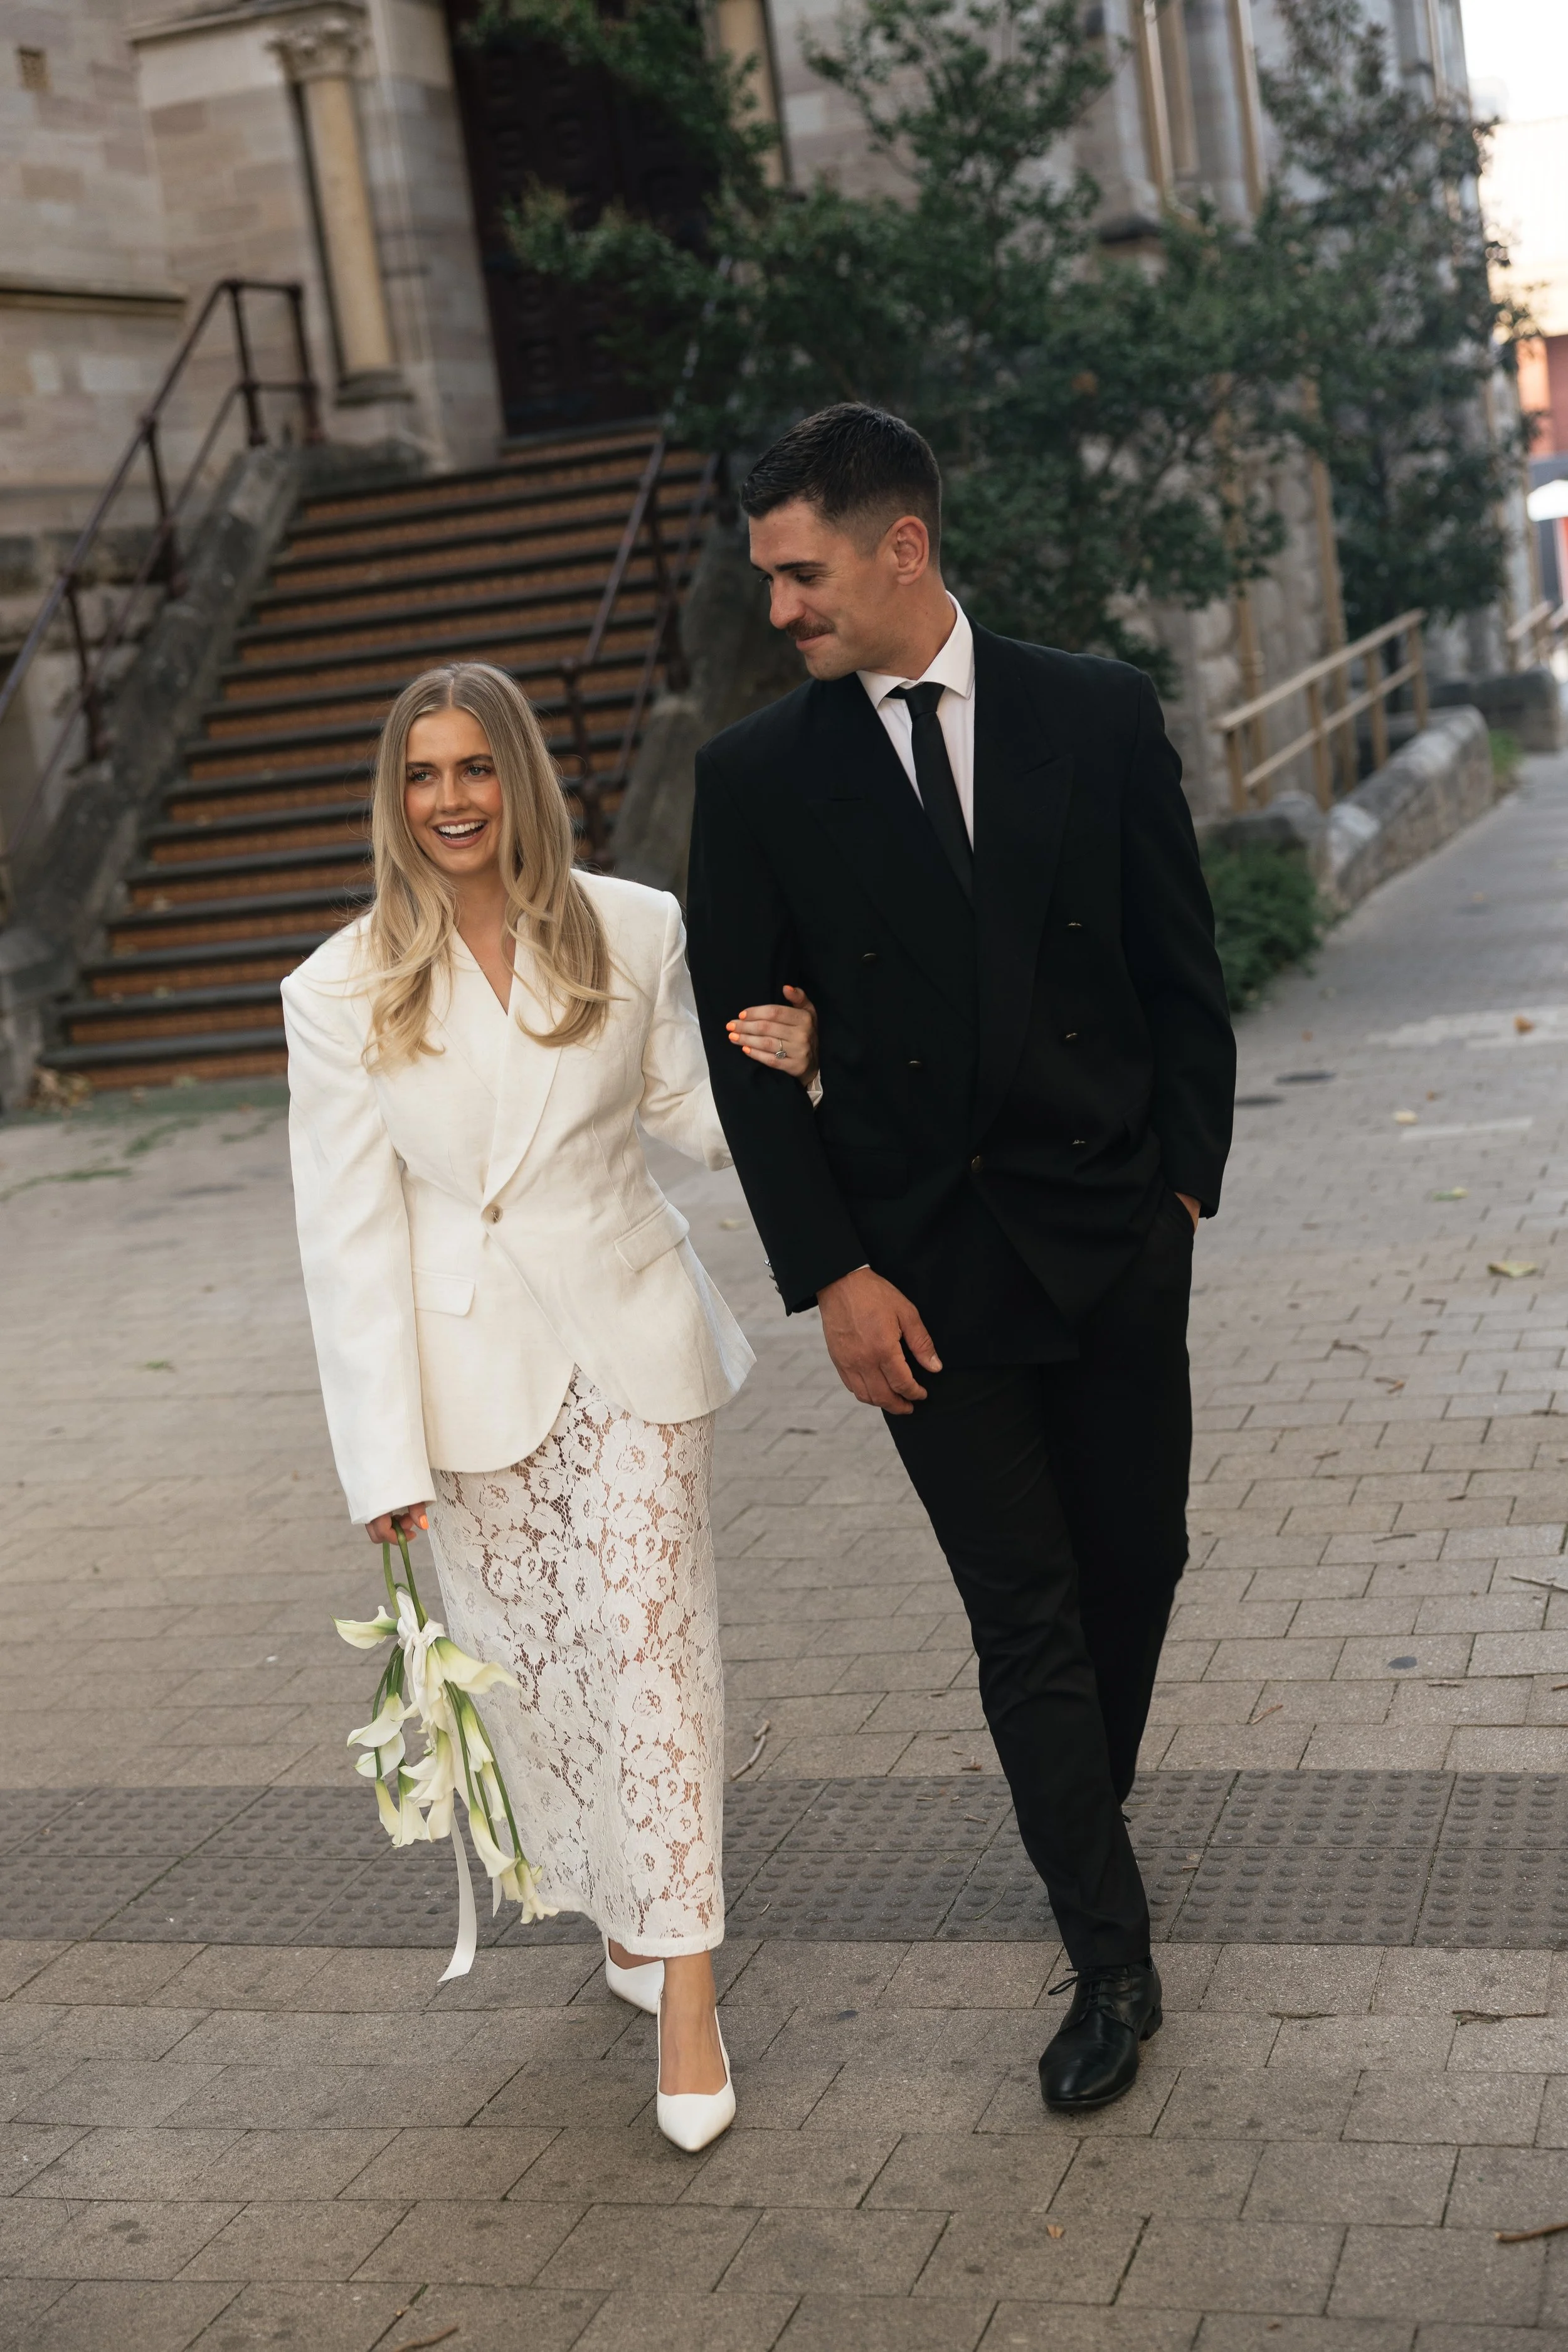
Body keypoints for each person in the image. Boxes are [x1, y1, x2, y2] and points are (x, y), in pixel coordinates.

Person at [685, 404, 1235, 2114]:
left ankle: (1081, 1809)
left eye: (799, 569)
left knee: (1132, 1556)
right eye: (765, 572)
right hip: (920, 1274)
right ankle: (1109, 1950)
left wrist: (1184, 1195)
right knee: (1025, 1611)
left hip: (1110, 1231)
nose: (776, 604)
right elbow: (742, 1055)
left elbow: (1178, 973)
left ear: (899, 546)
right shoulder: (760, 776)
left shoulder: (1093, 710)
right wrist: (830, 1275)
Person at [282, 660, 817, 2154]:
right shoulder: (337, 989)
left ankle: (692, 1988)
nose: (450, 799)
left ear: (520, 775)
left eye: (475, 768)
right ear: (394, 798)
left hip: (633, 1339)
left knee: (651, 1643)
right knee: (546, 1674)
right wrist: (375, 1455)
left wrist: (803, 1074)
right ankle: (627, 1915)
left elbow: (688, 1115)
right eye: (419, 774)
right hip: (465, 1381)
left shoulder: (631, 927)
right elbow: (346, 1241)